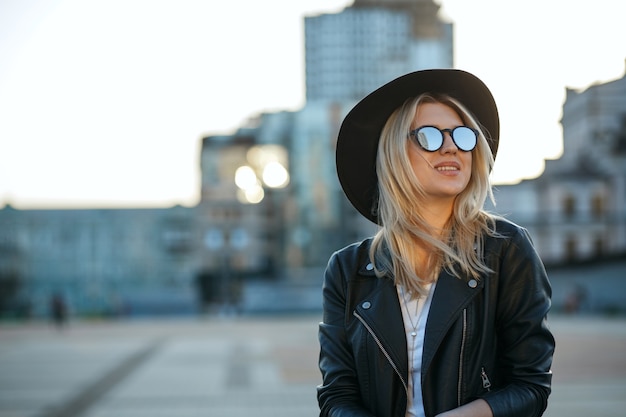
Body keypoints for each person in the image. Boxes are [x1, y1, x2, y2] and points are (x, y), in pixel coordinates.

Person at [317, 69, 555, 417]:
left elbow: (531, 387)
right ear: (393, 153)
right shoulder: (347, 269)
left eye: (463, 136)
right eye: (429, 136)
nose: (450, 146)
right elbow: (337, 397)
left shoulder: (506, 248)